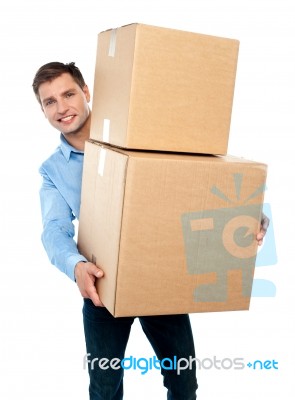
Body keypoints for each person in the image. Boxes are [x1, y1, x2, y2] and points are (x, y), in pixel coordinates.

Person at [32, 61, 269, 400]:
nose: (62, 107)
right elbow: (53, 229)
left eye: (68, 94)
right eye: (49, 101)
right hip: (102, 288)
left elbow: (194, 177)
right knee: (103, 389)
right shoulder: (53, 170)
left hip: (161, 280)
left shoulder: (139, 135)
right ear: (42, 111)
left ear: (86, 92)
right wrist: (76, 265)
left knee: (183, 382)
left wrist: (246, 214)